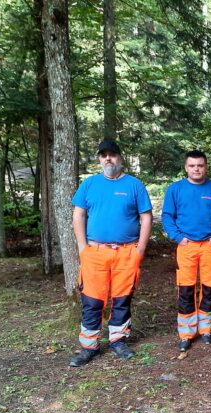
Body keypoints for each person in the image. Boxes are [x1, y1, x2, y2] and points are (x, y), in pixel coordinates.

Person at [69, 139, 152, 367]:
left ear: (120, 158)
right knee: (92, 301)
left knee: (122, 299)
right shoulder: (89, 184)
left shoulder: (134, 185)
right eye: (104, 155)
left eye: (112, 154)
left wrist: (140, 249)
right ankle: (89, 346)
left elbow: (146, 217)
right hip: (95, 253)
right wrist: (82, 248)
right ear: (99, 158)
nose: (108, 158)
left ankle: (118, 341)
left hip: (126, 253)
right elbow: (78, 215)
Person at [161, 150, 211, 352]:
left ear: (206, 166)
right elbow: (167, 216)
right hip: (186, 246)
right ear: (186, 167)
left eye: (200, 165)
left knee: (209, 287)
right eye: (192, 166)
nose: (196, 169)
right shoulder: (175, 190)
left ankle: (206, 329)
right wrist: (177, 237)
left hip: (209, 246)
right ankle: (186, 333)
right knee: (186, 289)